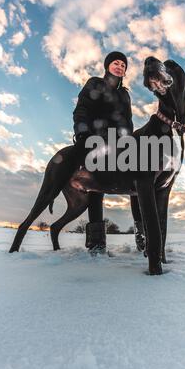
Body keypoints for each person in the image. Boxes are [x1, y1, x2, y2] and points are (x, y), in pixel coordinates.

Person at [73, 51, 133, 253]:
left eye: (123, 65)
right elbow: (82, 109)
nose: (119, 67)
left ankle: (143, 238)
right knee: (96, 189)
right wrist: (82, 133)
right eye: (116, 63)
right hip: (96, 140)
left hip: (122, 146)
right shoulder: (95, 83)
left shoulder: (125, 94)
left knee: (139, 182)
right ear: (107, 66)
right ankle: (96, 244)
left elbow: (128, 121)